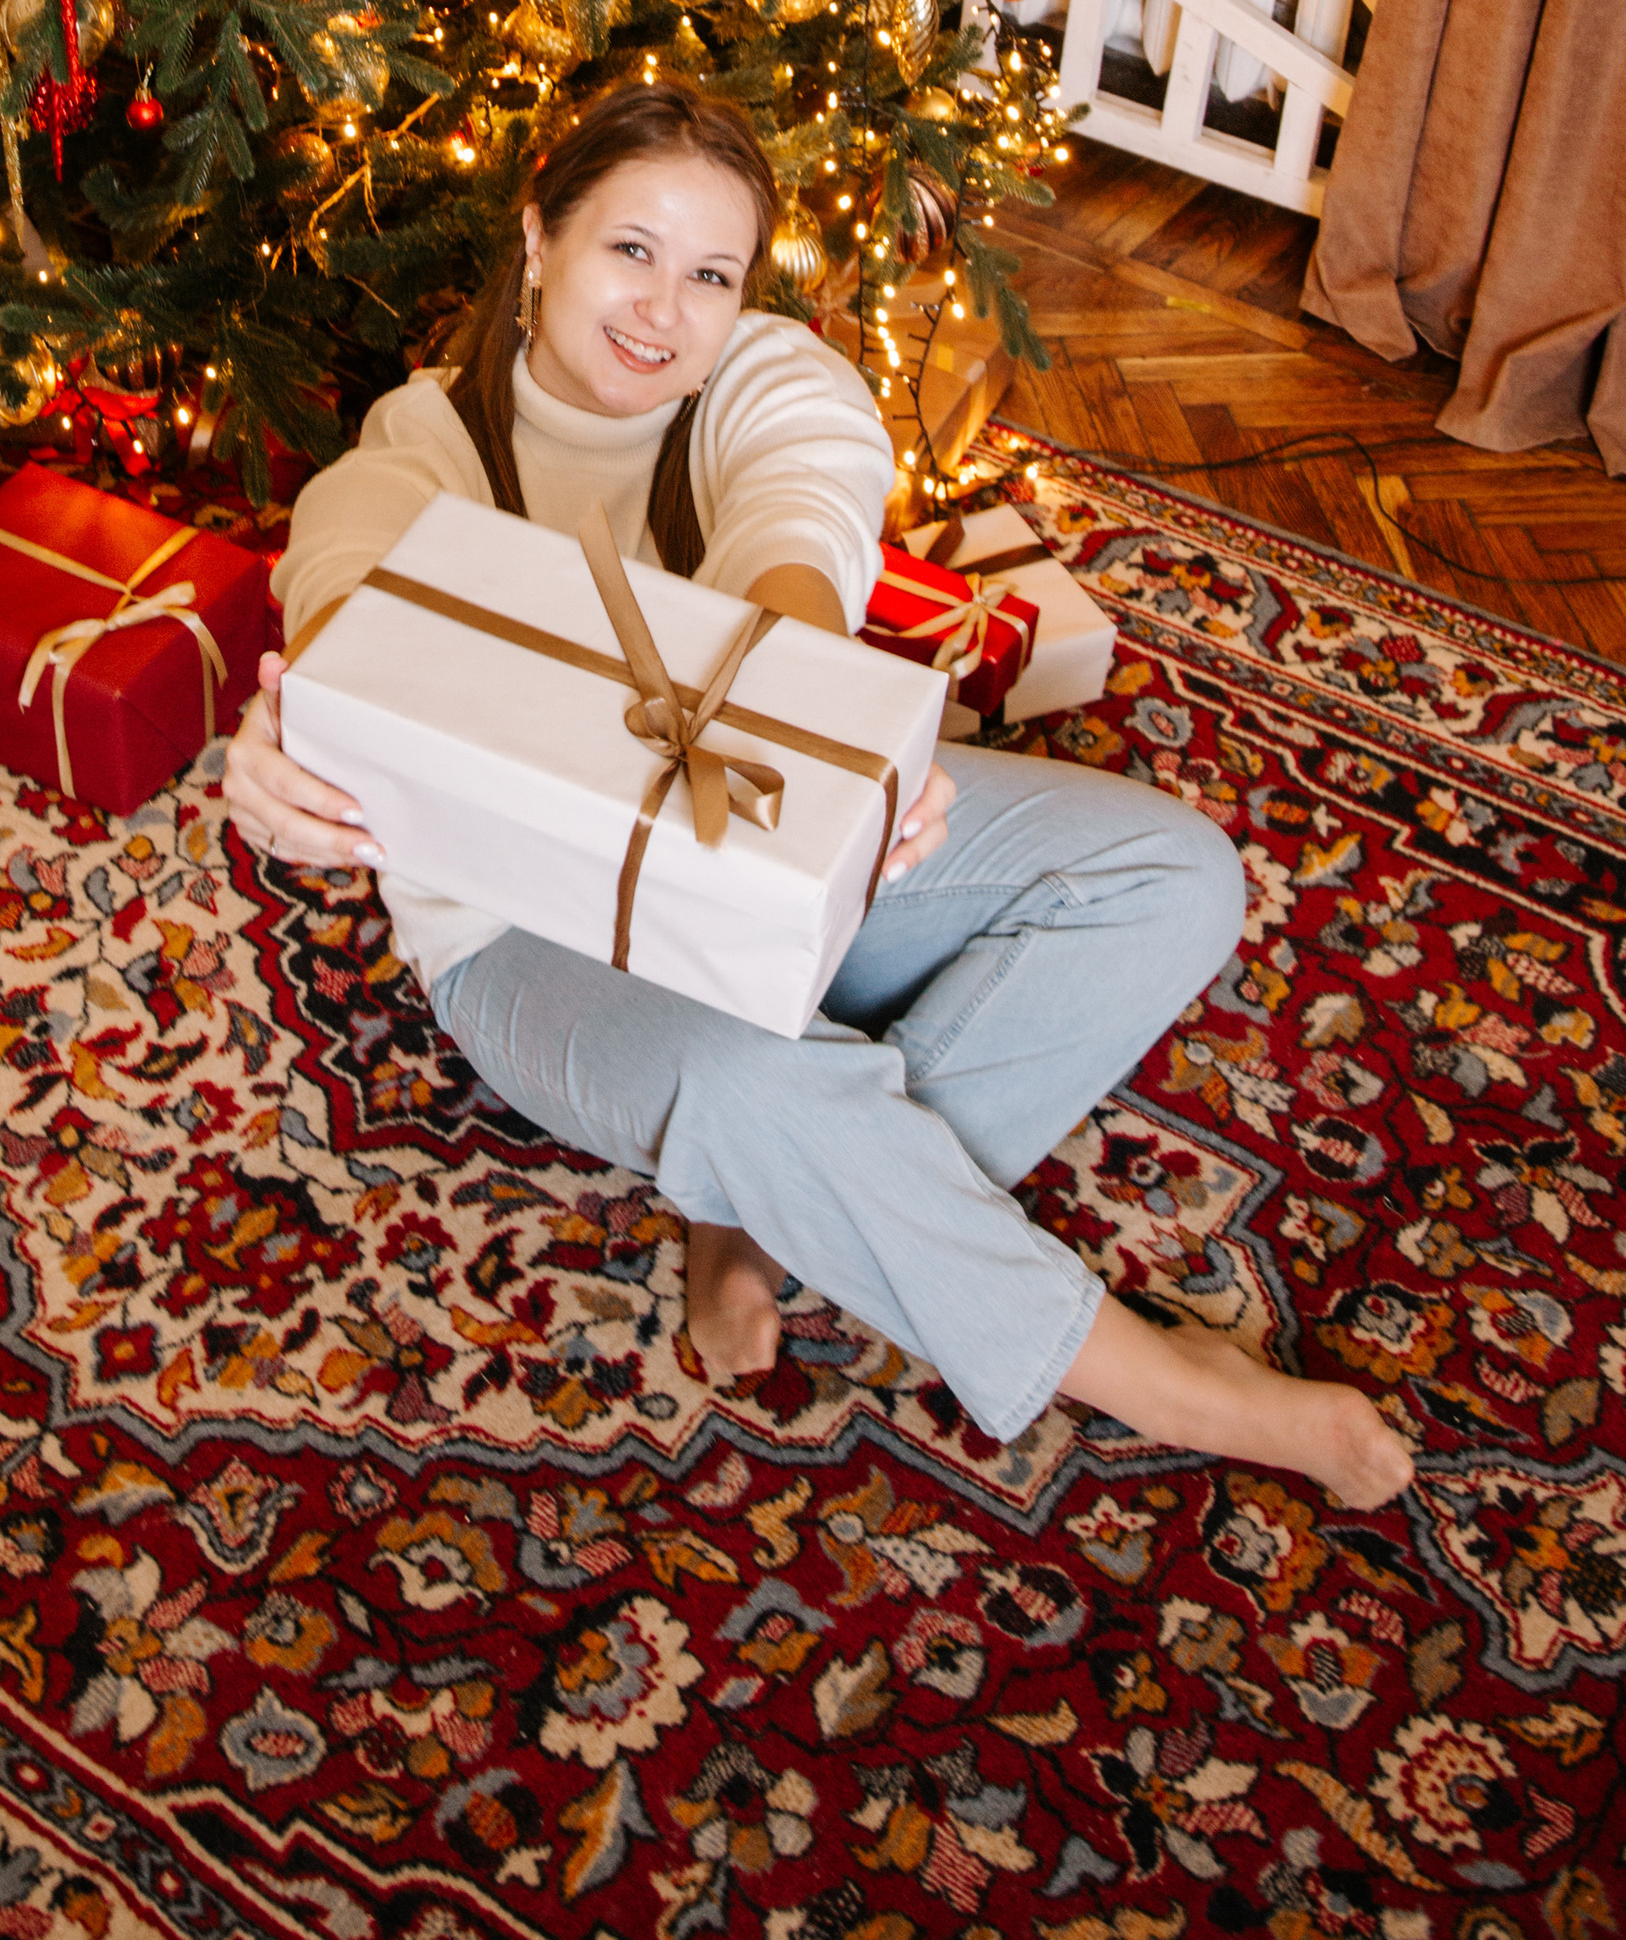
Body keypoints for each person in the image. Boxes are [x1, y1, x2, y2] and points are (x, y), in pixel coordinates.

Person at [226, 77, 1411, 1506]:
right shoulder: (414, 456)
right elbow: (344, 615)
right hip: (525, 937)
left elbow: (797, 534)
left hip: (765, 837)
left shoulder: (767, 378)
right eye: (631, 250)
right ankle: (1173, 1386)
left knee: (1174, 877)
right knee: (746, 1075)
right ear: (538, 238)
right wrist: (284, 754)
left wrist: (839, 752)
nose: (667, 310)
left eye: (711, 273)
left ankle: (759, 1217)